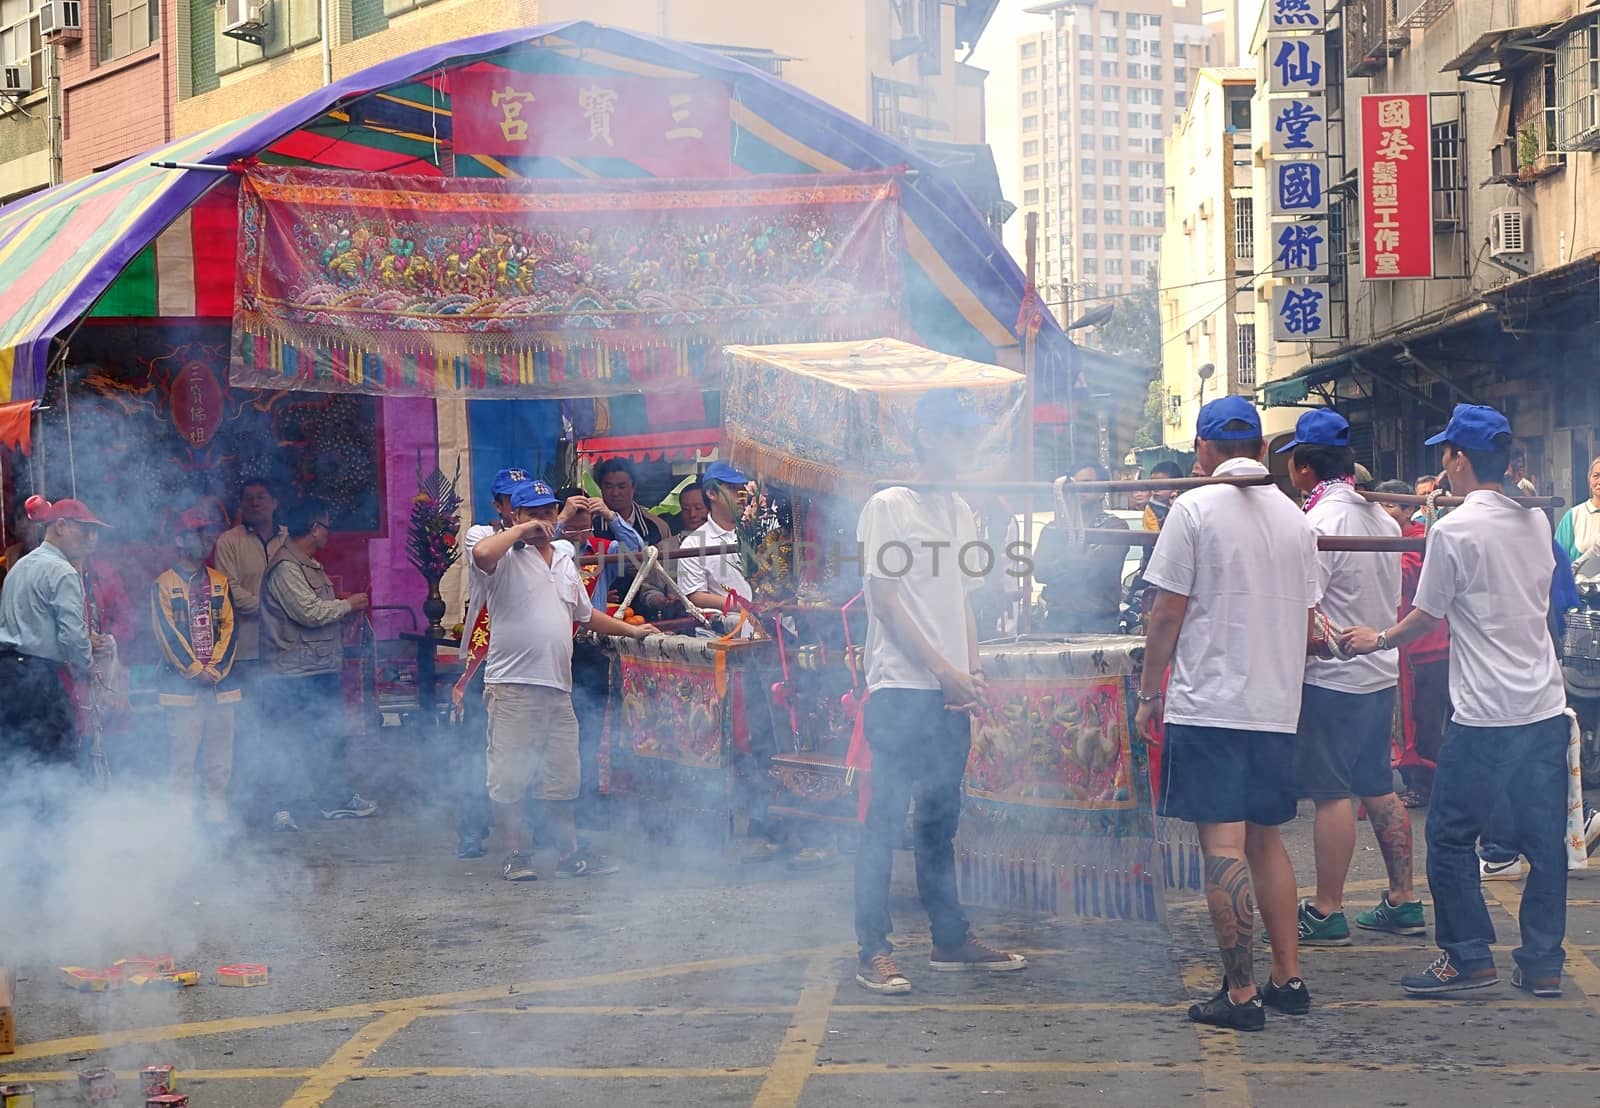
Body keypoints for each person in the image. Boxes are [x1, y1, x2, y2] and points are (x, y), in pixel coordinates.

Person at [1342, 404, 1570, 999]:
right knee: (1544, 841)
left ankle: (1468, 956)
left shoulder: (1454, 531)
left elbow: (1426, 616)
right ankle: (1543, 961)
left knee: (1447, 835)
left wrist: (1378, 639)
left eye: (1446, 452)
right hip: (1543, 706)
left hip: (1486, 715)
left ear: (1460, 460)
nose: (1442, 463)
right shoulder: (1534, 524)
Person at [1134, 396, 1320, 1031]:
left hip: (1211, 703)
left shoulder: (1191, 510)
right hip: (1274, 704)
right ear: (1264, 451)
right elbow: (1307, 620)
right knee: (1266, 840)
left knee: (1223, 842)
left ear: (1204, 451)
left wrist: (1149, 692)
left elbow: (1165, 613)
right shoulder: (1297, 521)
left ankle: (1240, 994)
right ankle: (1287, 979)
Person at [853, 389, 1027, 995]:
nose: (970, 449)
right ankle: (871, 948)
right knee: (885, 821)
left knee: (939, 820)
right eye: (961, 437)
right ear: (929, 438)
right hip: (902, 689)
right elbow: (886, 602)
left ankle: (949, 938)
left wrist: (970, 674)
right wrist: (943, 671)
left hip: (949, 692)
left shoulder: (958, 510)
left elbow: (965, 602)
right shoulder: (887, 506)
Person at [1277, 411, 1422, 946]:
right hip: (1378, 672)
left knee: (1332, 794)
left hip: (1333, 678)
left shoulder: (1317, 525)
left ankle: (1327, 908)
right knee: (1378, 786)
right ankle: (1403, 900)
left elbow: (1308, 610)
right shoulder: (1382, 520)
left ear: (1304, 468)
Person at [470, 479, 657, 882]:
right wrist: (521, 531)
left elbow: (586, 615)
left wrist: (633, 631)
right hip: (513, 685)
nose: (542, 520)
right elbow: (483, 553)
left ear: (558, 515)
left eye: (548, 511)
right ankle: (515, 854)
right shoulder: (500, 554)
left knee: (562, 779)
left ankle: (569, 853)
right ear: (514, 515)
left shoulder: (563, 559)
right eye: (532, 512)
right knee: (510, 776)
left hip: (558, 686)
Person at [260, 498, 376, 831]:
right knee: (286, 739)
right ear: (313, 528)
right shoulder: (286, 567)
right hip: (290, 670)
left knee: (327, 736)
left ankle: (334, 798)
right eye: (325, 526)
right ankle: (280, 807)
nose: (329, 533)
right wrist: (347, 605)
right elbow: (309, 612)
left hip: (315, 666)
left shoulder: (309, 564)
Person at [553, 486, 646, 828]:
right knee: (556, 733)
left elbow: (639, 553)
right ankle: (554, 809)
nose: (582, 531)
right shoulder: (546, 553)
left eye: (587, 522)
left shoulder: (604, 549)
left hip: (590, 649)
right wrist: (560, 523)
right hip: (555, 651)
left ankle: (588, 805)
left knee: (591, 728)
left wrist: (610, 516)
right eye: (574, 523)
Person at [0, 496, 110, 767]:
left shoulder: (20, 567)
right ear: (60, 526)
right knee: (58, 758)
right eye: (85, 530)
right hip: (38, 678)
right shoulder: (62, 571)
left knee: (18, 759)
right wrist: (88, 665)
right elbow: (72, 636)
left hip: (7, 674)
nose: (92, 538)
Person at [151, 509, 239, 830]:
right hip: (181, 691)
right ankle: (180, 820)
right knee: (182, 758)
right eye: (197, 534)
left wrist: (213, 670)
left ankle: (217, 814)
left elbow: (230, 629)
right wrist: (193, 670)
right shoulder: (163, 585)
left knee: (220, 758)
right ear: (179, 540)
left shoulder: (220, 582)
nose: (205, 541)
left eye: (207, 535)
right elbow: (166, 633)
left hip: (221, 686)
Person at [1373, 480, 1450, 808]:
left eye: (1392, 505)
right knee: (1407, 721)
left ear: (1409, 510)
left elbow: (1405, 576)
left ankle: (1429, 784)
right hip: (1402, 647)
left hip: (1429, 646)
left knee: (1427, 719)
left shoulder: (1421, 540)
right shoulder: (1390, 539)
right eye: (1382, 505)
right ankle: (1418, 780)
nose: (1385, 511)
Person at [1033, 461, 1131, 633]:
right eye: (1074, 484)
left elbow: (1101, 567)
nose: (1079, 489)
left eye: (1087, 484)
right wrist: (1074, 561)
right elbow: (1040, 572)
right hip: (1059, 618)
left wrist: (1062, 563)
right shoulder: (1054, 527)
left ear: (1102, 491)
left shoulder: (1115, 526)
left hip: (1100, 619)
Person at [1554, 456, 1600, 572]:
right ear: (1589, 481)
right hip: (1580, 589)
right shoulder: (1574, 516)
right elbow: (1557, 560)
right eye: (1596, 476)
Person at [1142, 462, 1184, 532]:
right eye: (1152, 485)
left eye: (1161, 485)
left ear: (1176, 487)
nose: (1155, 489)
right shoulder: (1150, 510)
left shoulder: (1184, 503)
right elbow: (1153, 538)